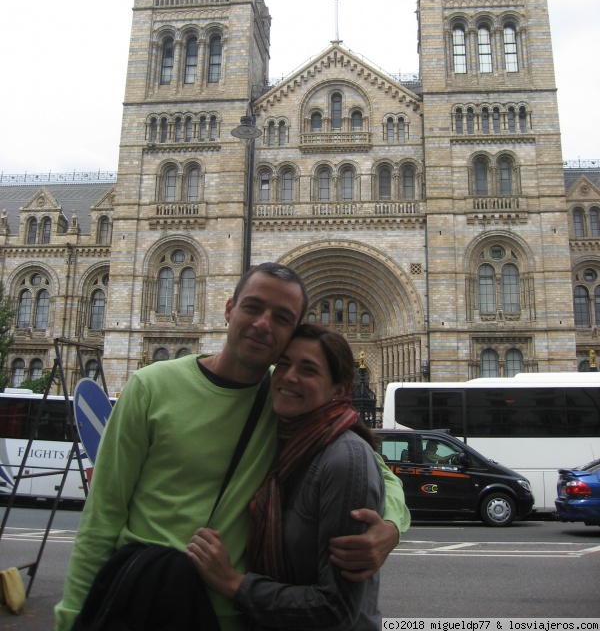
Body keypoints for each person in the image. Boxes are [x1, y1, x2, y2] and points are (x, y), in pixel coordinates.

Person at [55, 263, 409, 631]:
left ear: (291, 333)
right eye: (253, 307)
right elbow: (102, 518)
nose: (262, 324)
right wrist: (71, 621)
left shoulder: (286, 398)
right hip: (149, 601)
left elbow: (375, 469)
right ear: (229, 308)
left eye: (282, 318)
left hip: (236, 614)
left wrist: (390, 527)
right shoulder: (149, 387)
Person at [187, 323, 386, 630]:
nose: (290, 376)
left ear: (340, 389)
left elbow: (336, 609)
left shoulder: (345, 457)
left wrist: (233, 584)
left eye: (309, 369)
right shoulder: (278, 436)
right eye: (283, 364)